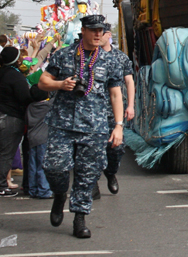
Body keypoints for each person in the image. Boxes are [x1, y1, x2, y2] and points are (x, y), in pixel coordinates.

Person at [38, 15, 124, 239]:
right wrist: (60, 84)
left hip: (94, 126)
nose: (98, 34)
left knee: (87, 174)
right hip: (62, 123)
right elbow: (42, 81)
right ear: (83, 31)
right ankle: (59, 195)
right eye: (94, 30)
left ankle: (79, 218)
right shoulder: (64, 54)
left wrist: (118, 125)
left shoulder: (109, 60)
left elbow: (116, 94)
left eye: (102, 30)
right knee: (54, 167)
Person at [0, 47, 48, 197]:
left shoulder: (3, 73)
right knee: (6, 153)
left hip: (0, 114)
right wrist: (39, 91)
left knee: (2, 152)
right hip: (10, 117)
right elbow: (24, 97)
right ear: (16, 60)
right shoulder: (14, 76)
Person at [100, 24, 135, 195]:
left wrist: (130, 105)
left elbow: (129, 82)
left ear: (108, 35)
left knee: (115, 148)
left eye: (101, 32)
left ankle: (111, 172)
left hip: (114, 110)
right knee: (89, 149)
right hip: (91, 111)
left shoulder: (120, 58)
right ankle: (90, 185)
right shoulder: (86, 56)